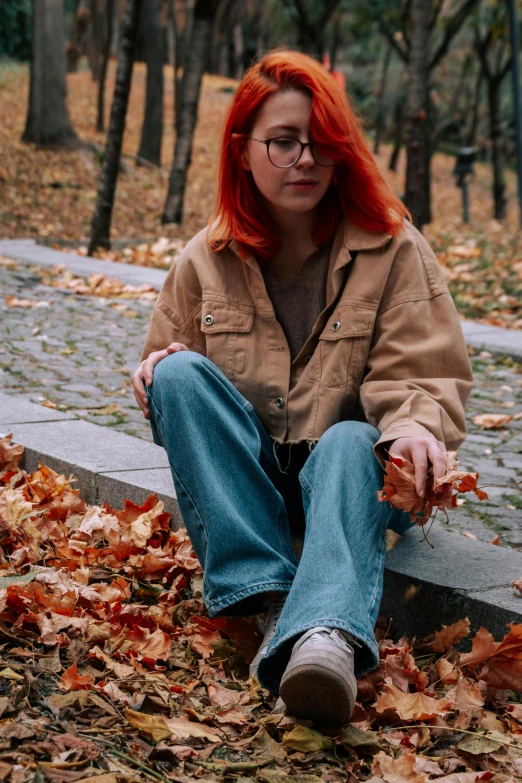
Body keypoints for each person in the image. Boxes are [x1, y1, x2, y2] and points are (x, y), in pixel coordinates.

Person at [132, 49, 473, 727]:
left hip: (360, 479)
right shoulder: (207, 257)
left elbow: (421, 370)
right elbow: (181, 405)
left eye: (321, 144)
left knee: (350, 438)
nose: (305, 160)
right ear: (243, 150)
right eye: (284, 142)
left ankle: (325, 640)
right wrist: (155, 377)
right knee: (176, 370)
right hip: (257, 479)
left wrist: (411, 425)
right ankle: (270, 600)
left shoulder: (393, 247)